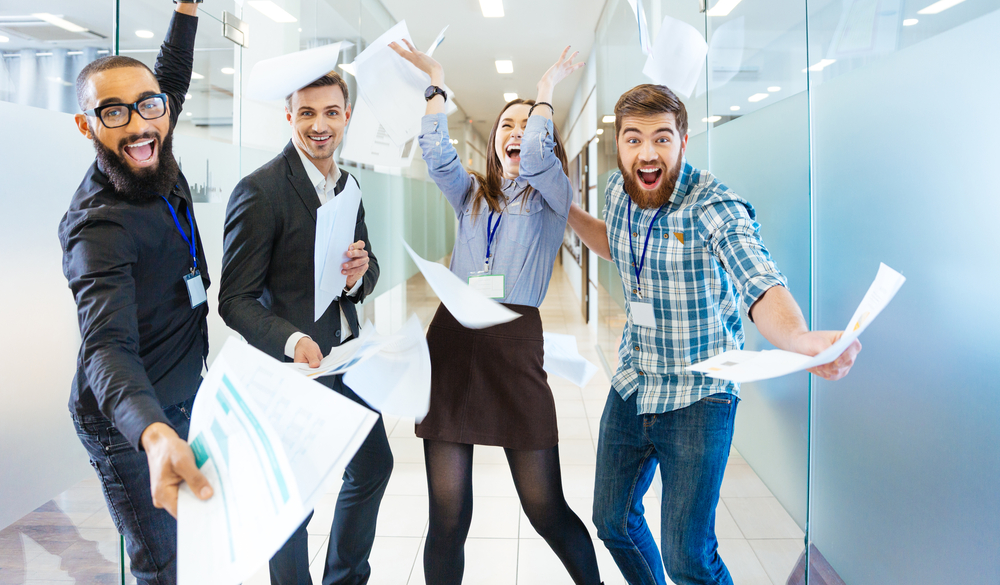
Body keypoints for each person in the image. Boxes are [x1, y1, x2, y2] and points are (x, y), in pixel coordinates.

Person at [567, 84, 861, 585]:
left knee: (689, 559)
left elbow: (759, 280)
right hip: (635, 379)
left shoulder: (714, 205)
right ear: (618, 145)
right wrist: (565, 214)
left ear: (683, 140)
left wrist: (797, 339)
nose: (648, 152)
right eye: (633, 139)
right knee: (612, 522)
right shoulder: (619, 190)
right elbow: (613, 244)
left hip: (699, 395)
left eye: (662, 137)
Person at [390, 40, 603, 585]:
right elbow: (436, 153)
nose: (516, 133)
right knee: (448, 516)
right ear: (492, 141)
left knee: (545, 509)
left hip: (513, 344)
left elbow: (534, 157)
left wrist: (544, 94)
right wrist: (436, 80)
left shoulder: (554, 192)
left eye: (526, 125)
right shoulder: (472, 197)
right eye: (506, 125)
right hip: (453, 341)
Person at [59, 0, 214, 585]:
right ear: (86, 126)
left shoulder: (153, 130)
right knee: (163, 564)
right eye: (112, 112)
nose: (138, 123)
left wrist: (186, 0)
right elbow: (106, 348)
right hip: (127, 421)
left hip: (179, 390)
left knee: (199, 548)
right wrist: (151, 435)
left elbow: (169, 74)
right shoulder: (97, 226)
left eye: (148, 105)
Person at [219, 69, 389, 585]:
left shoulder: (349, 184)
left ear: (347, 117)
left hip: (345, 360)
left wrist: (360, 276)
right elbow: (234, 300)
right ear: (289, 116)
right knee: (292, 501)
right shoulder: (261, 191)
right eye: (307, 112)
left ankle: (344, 577)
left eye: (331, 112)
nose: (320, 125)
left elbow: (367, 266)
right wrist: (293, 342)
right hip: (292, 370)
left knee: (372, 465)